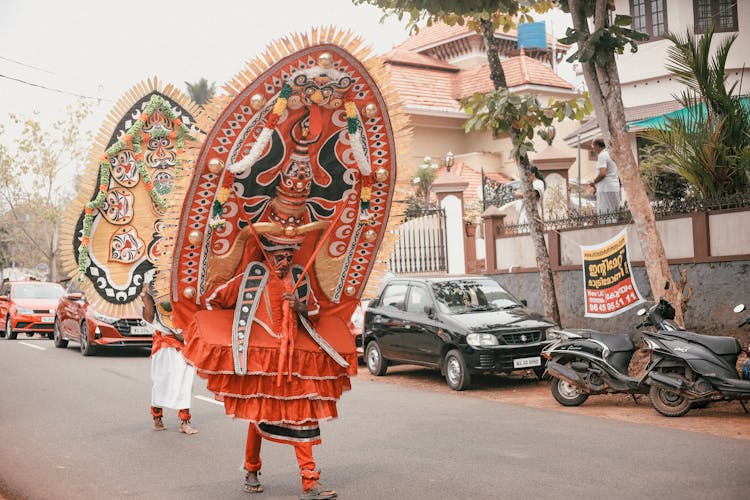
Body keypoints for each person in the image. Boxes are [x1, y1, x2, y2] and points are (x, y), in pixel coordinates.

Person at [182, 234, 353, 500]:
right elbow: (214, 300)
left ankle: (310, 482)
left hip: (296, 362)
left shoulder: (300, 277)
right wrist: (236, 332)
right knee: (259, 415)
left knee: (303, 416)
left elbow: (316, 310)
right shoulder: (251, 277)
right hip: (262, 362)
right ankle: (251, 470)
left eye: (288, 257)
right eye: (278, 257)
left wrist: (302, 307)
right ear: (266, 255)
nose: (284, 262)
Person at [141, 287, 198, 435]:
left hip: (185, 346)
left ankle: (185, 422)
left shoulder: (187, 285)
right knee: (161, 383)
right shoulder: (154, 288)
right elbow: (149, 317)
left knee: (185, 384)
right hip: (164, 347)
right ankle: (157, 419)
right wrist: (145, 296)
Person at [589, 138, 621, 215]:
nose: (593, 149)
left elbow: (603, 173)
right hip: (614, 187)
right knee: (614, 213)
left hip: (605, 189)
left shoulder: (602, 155)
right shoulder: (611, 154)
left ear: (597, 146)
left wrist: (594, 182)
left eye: (593, 147)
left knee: (604, 214)